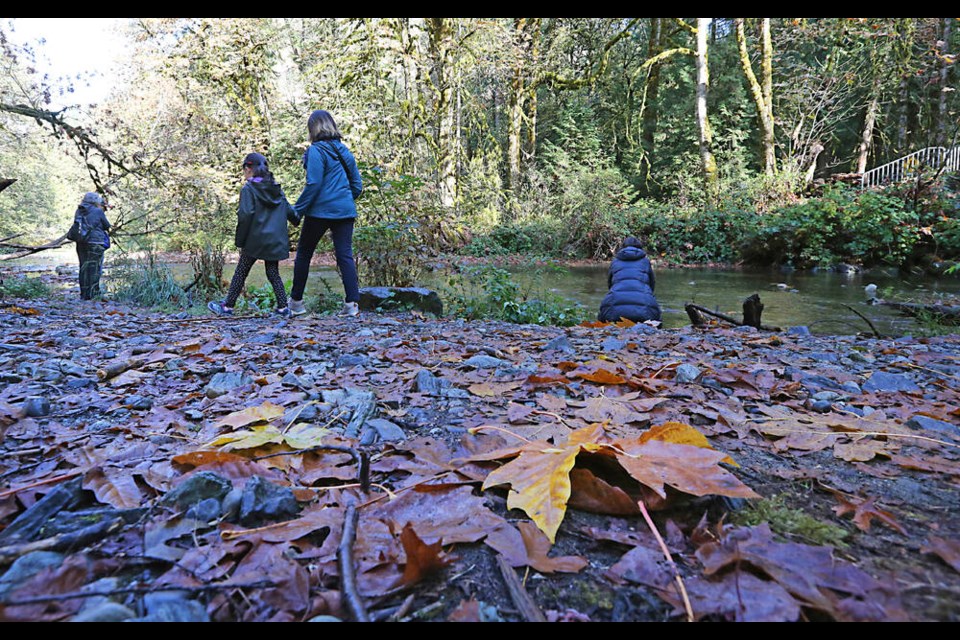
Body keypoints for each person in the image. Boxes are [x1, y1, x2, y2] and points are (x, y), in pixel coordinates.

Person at [288, 109, 363, 317]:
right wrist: (344, 200)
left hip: (319, 211)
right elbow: (357, 185)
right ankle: (351, 306)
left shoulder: (315, 151)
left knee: (304, 254)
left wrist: (297, 211)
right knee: (345, 256)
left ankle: (296, 303)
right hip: (345, 211)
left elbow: (313, 183)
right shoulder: (344, 150)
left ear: (312, 129)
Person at [208, 152, 298, 317]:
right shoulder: (275, 188)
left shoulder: (249, 189)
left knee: (241, 271)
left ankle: (227, 306)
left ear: (248, 168)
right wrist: (298, 217)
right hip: (275, 240)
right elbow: (290, 211)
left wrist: (240, 240)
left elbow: (245, 215)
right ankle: (283, 308)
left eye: (244, 169)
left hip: (255, 239)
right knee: (273, 272)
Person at [598, 236, 662, 324]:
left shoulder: (615, 261)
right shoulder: (645, 261)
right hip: (644, 311)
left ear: (623, 247)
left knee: (603, 316)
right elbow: (651, 285)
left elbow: (610, 284)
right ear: (639, 247)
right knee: (657, 317)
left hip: (615, 311)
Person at [72, 191, 111, 300]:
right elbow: (106, 225)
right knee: (95, 268)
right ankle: (94, 294)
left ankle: (84, 294)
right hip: (96, 242)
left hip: (81, 242)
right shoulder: (98, 211)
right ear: (95, 201)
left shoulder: (79, 211)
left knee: (83, 267)